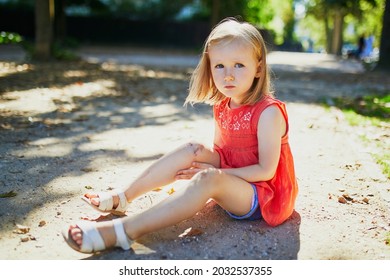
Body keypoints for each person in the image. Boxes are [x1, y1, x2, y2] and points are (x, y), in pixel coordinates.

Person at [62, 17, 299, 253]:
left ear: (258, 68)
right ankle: (123, 197)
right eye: (219, 65)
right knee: (192, 148)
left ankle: (124, 231)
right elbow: (224, 155)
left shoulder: (268, 112)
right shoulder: (223, 105)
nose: (228, 75)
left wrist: (213, 174)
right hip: (234, 182)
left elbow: (265, 171)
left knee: (209, 178)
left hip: (263, 196)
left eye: (239, 65)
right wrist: (204, 161)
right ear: (209, 66)